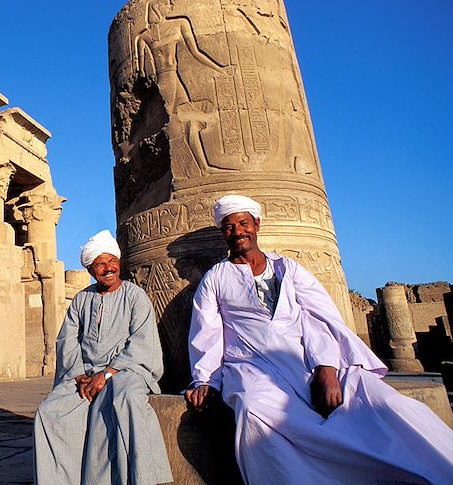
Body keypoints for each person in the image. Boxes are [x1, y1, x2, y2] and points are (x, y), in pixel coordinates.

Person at [187, 194, 453, 484]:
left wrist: (326, 367)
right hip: (252, 367)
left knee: (384, 402)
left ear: (257, 225)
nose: (238, 232)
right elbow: (207, 333)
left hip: (307, 360)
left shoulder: (287, 269)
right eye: (229, 226)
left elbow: (320, 318)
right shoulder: (215, 279)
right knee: (253, 410)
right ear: (222, 232)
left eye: (243, 223)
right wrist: (205, 381)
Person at [34, 230, 172, 485]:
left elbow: (142, 343)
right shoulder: (81, 299)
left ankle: (141, 479)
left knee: (124, 399)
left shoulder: (135, 296)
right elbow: (67, 340)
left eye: (112, 262)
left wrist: (108, 373)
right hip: (84, 374)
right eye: (100, 264)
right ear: (90, 269)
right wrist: (80, 376)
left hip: (126, 370)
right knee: (50, 412)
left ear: (119, 264)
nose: (107, 268)